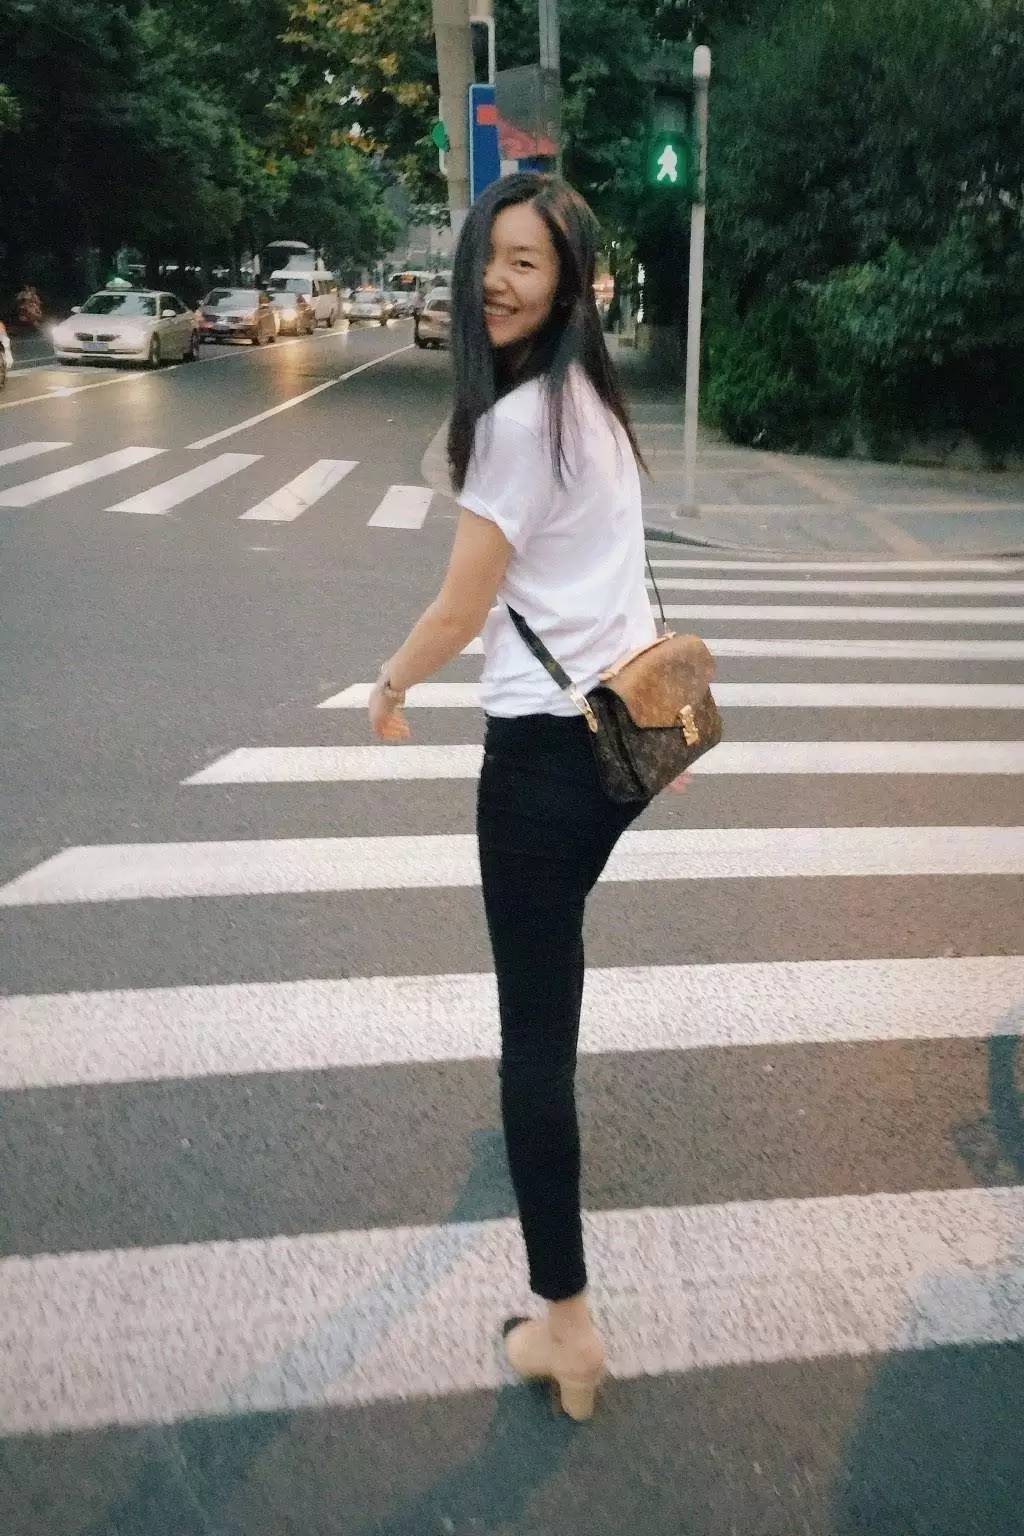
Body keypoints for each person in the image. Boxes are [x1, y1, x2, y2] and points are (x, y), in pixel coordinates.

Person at [368, 172, 680, 1421]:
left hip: (546, 760)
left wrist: (392, 679)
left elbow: (458, 608)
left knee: (533, 1044)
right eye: (489, 256)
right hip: (621, 751)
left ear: (566, 287)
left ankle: (566, 1324)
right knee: (556, 970)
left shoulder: (515, 428)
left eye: (526, 264)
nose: (497, 281)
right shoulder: (592, 405)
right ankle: (552, 1249)